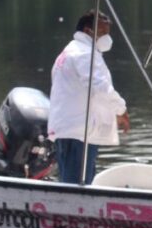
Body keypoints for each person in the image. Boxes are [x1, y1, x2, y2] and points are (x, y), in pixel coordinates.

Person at [48, 10, 130, 184]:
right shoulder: (85, 54)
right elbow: (99, 88)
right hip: (79, 132)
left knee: (76, 183)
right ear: (88, 31)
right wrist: (120, 109)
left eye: (108, 33)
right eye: (102, 32)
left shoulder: (71, 50)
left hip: (72, 129)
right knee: (77, 187)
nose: (107, 38)